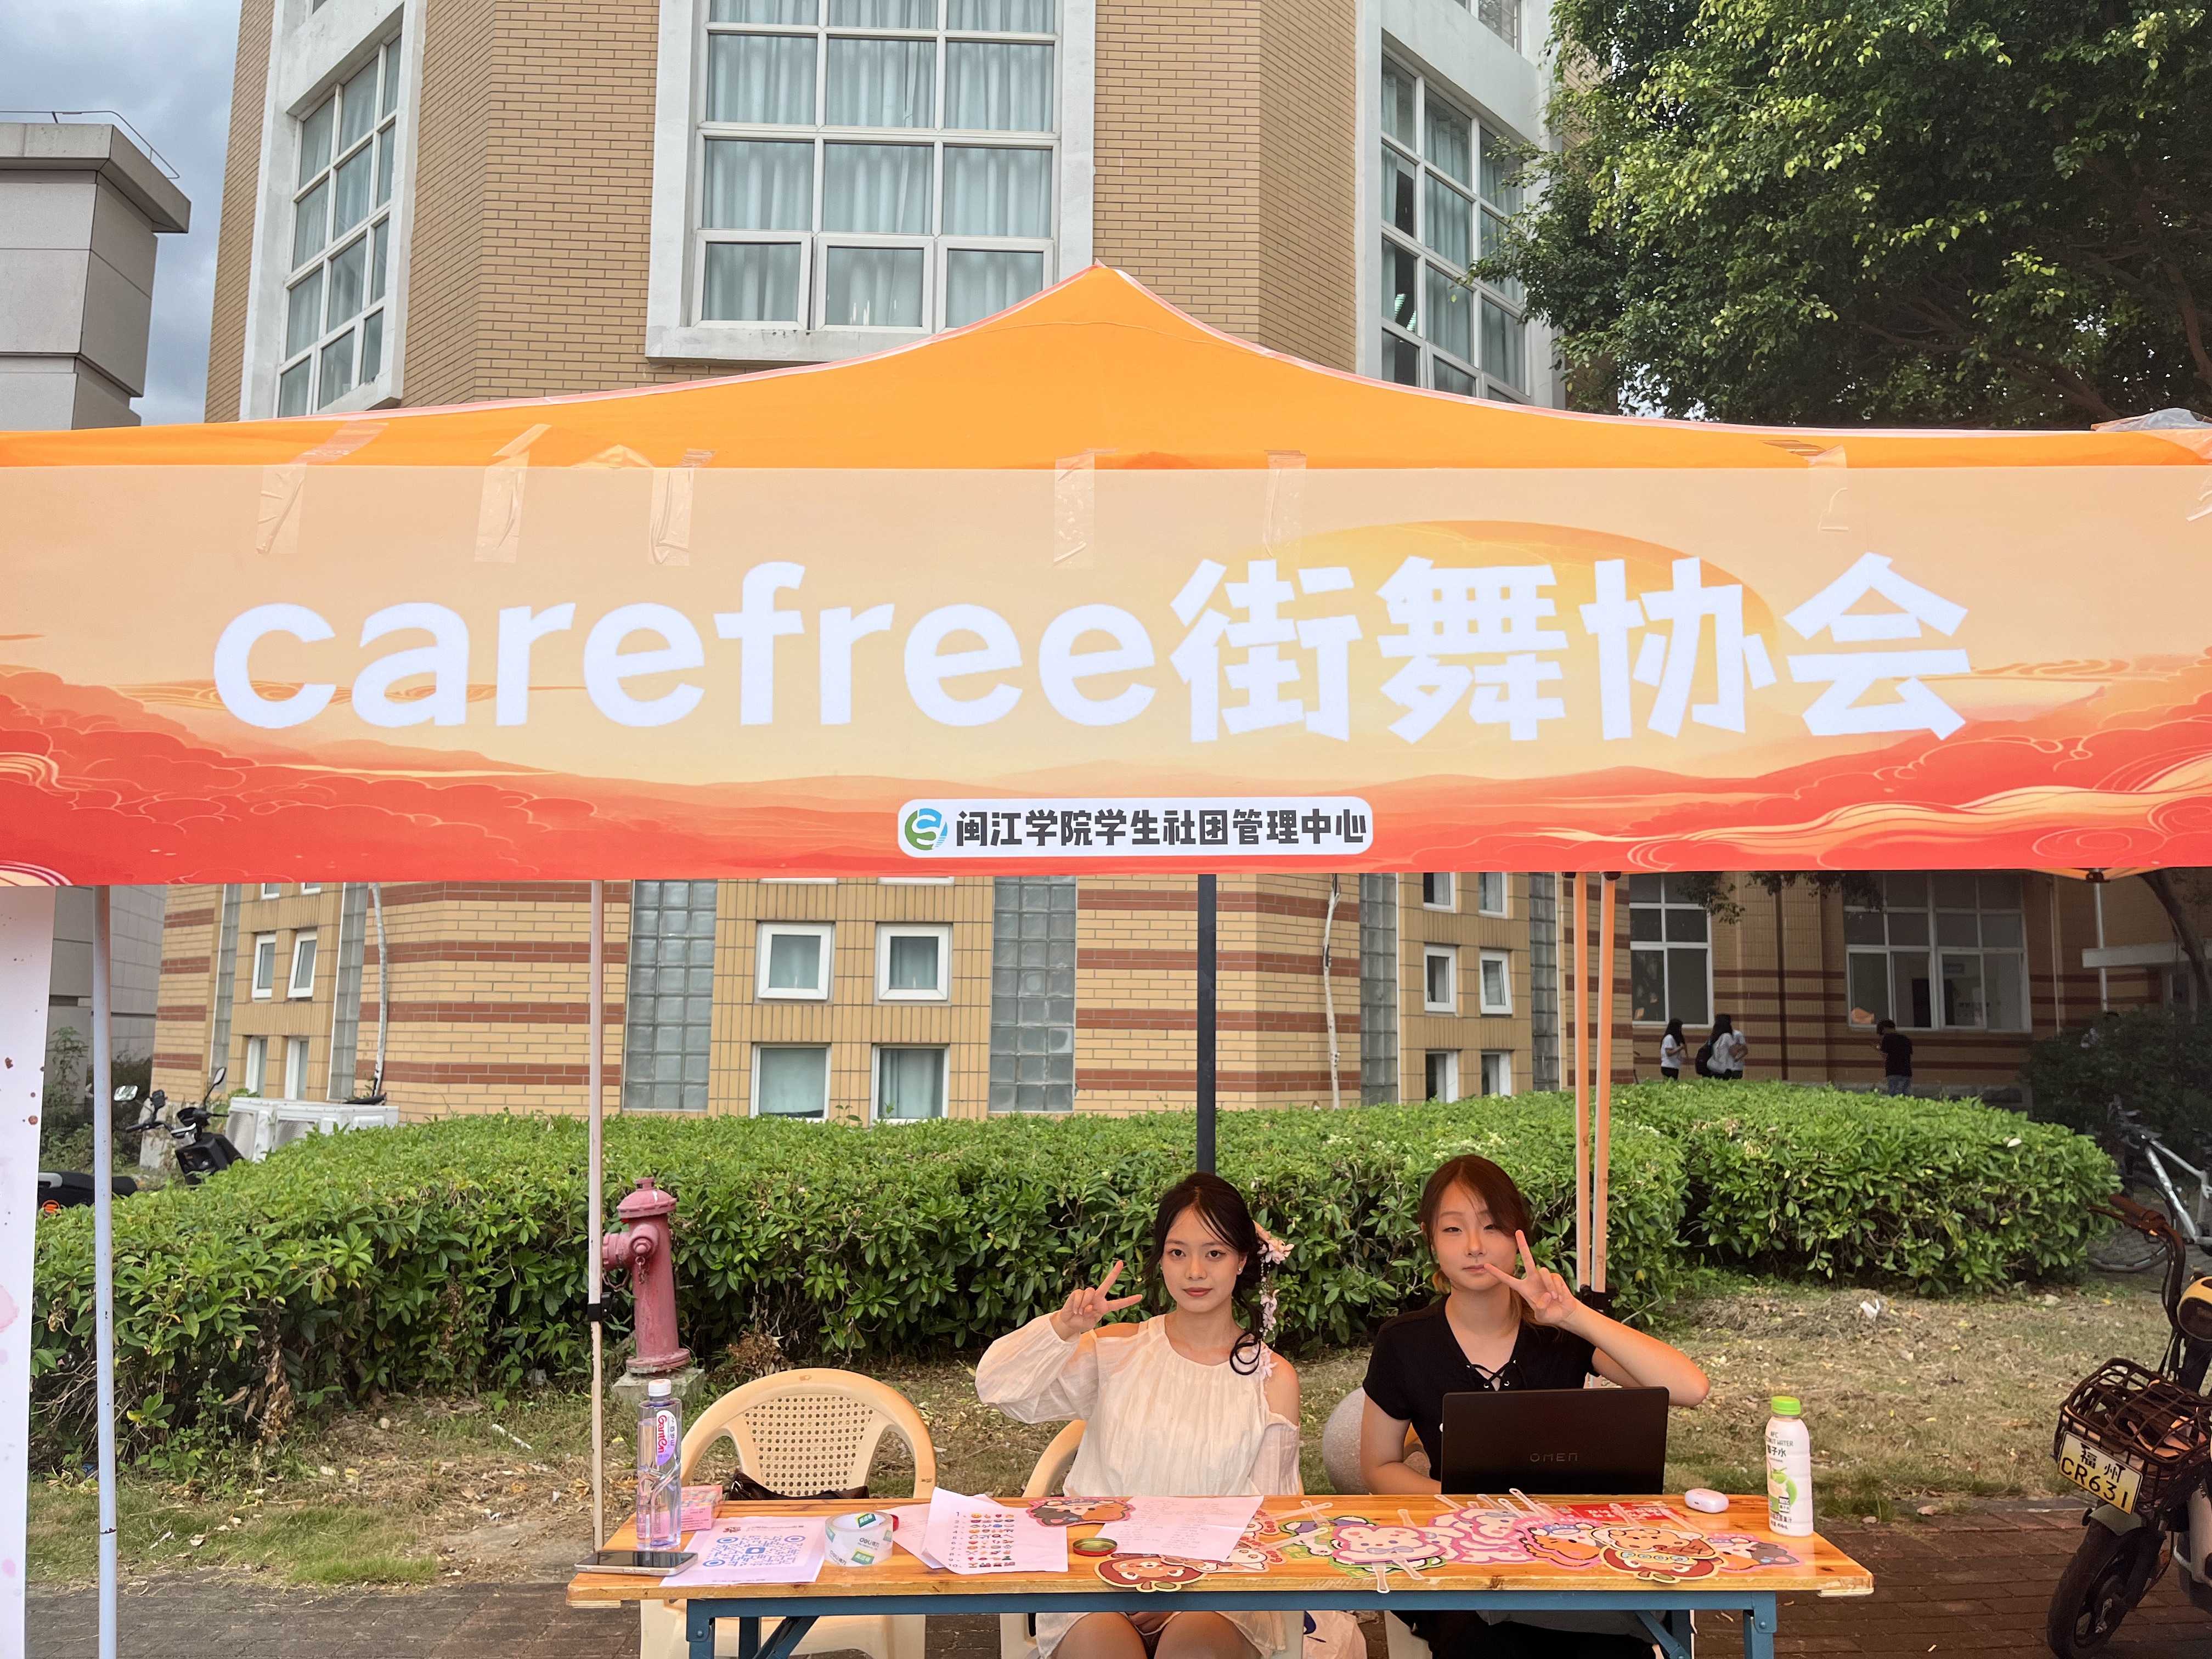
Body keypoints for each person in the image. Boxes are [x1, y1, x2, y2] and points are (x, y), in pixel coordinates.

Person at [977, 1173, 1354, 1659]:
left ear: (1242, 1259)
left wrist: (1182, 1583)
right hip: (1098, 1578)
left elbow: (1272, 1517)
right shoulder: (1116, 1349)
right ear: (1161, 1259)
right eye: (1178, 1253)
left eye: (1214, 1253)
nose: (1195, 1271)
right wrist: (1065, 1327)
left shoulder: (1272, 1378)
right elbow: (997, 1388)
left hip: (1222, 1590)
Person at [1357, 1156, 1709, 1658]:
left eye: (1492, 1226)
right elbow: (1379, 1466)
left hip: (1574, 1555)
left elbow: (1690, 1388)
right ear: (1430, 1240)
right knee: (1482, 1643)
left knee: (1612, 1646)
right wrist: (1472, 1504)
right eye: (1453, 1229)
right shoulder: (1404, 1343)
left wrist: (1575, 1316)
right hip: (1466, 1561)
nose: (1474, 1245)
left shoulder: (1560, 1332)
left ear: (1519, 1234)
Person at [1875, 1018, 1914, 1096]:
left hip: (1894, 1072)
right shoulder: (1906, 1039)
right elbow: (1909, 1053)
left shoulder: (1887, 1038)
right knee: (1905, 1096)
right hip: (1907, 1072)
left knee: (1894, 1096)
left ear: (1884, 1029)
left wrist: (1878, 1049)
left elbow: (1885, 1055)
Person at [1709, 1013, 1747, 1079]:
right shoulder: (1719, 1036)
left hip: (1731, 1069)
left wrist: (1737, 1058)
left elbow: (1744, 1050)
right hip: (1722, 1069)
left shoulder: (1736, 1035)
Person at [1658, 1017, 1687, 1081]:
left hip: (1674, 1066)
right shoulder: (1669, 1038)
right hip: (1669, 1066)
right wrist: (1680, 1048)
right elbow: (1669, 1053)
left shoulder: (1673, 1039)